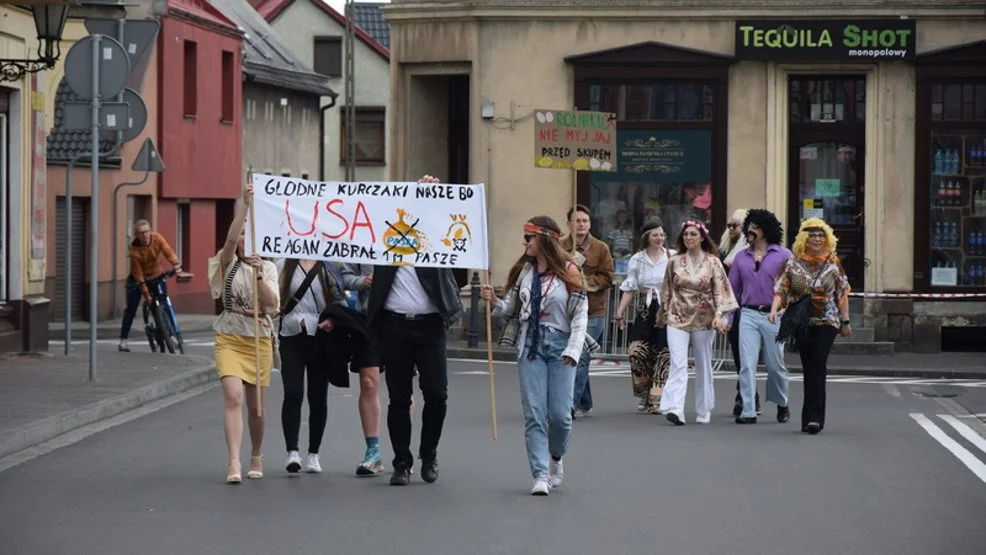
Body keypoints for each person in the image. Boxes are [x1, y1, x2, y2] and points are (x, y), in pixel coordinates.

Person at [366, 174, 464, 486]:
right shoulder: (384, 241)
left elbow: (444, 218)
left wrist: (430, 193)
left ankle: (429, 451)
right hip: (394, 325)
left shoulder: (432, 238)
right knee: (399, 398)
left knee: (436, 395)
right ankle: (401, 462)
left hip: (430, 326)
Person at [481, 216, 589, 496]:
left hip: (561, 345)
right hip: (530, 345)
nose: (524, 243)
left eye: (529, 238)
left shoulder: (569, 271)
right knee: (534, 413)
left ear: (544, 239)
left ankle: (555, 456)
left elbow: (580, 315)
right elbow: (511, 310)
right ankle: (540, 473)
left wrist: (573, 349)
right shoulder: (524, 273)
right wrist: (494, 301)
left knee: (561, 415)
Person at [208, 184, 279, 483]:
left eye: (249, 240)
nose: (243, 244)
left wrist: (259, 272)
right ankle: (234, 461)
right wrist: (246, 205)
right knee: (233, 396)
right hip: (230, 336)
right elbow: (228, 238)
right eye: (241, 239)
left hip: (258, 337)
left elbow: (273, 304)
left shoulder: (268, 268)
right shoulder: (226, 263)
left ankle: (256, 454)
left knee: (256, 408)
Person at [770, 218, 851, 435]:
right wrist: (773, 310)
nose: (816, 239)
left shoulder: (833, 262)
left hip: (828, 319)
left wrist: (845, 321)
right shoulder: (792, 263)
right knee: (809, 367)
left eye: (820, 235)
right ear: (804, 239)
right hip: (802, 320)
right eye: (812, 235)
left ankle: (815, 418)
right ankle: (808, 419)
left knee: (818, 363)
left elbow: (843, 293)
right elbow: (781, 289)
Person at [657, 219, 738, 426]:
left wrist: (720, 315)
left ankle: (704, 408)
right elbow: (667, 288)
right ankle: (676, 408)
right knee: (678, 362)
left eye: (693, 234)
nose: (689, 238)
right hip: (678, 314)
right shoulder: (674, 261)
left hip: (704, 315)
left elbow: (720, 289)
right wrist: (662, 312)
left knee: (703, 363)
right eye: (685, 235)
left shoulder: (712, 262)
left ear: (702, 237)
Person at [276, 258, 353, 474]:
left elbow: (340, 302)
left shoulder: (328, 266)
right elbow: (273, 295)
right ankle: (292, 451)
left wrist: (334, 321)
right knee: (293, 393)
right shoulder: (284, 264)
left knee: (317, 396)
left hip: (321, 335)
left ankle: (313, 453)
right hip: (291, 334)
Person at [727, 209, 793, 425]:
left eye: (755, 226)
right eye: (748, 226)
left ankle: (782, 402)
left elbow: (792, 287)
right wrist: (728, 318)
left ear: (766, 229)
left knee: (776, 364)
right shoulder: (740, 257)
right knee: (747, 364)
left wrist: (785, 308)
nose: (749, 230)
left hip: (773, 315)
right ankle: (748, 410)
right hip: (747, 313)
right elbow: (732, 291)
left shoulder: (783, 255)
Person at [614, 219, 674, 413]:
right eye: (655, 234)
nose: (659, 238)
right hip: (644, 307)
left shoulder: (672, 256)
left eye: (662, 235)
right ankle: (645, 391)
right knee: (637, 350)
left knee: (663, 351)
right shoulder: (637, 259)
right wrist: (620, 311)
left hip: (666, 307)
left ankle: (658, 397)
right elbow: (630, 288)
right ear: (646, 237)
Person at [561, 204, 614, 418]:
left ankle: (570, 404)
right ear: (569, 223)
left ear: (590, 223)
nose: (581, 225)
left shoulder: (600, 248)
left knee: (580, 355)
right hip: (567, 310)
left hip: (593, 310)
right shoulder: (559, 246)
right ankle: (585, 401)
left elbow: (608, 277)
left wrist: (584, 280)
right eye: (577, 221)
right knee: (579, 355)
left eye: (585, 221)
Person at [340, 263, 387, 476]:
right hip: (367, 318)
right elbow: (345, 276)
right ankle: (373, 452)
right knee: (368, 383)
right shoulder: (361, 236)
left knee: (402, 387)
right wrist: (363, 281)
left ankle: (402, 450)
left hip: (400, 317)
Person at [119, 220, 182, 352]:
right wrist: (147, 295)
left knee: (163, 302)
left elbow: (167, 251)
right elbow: (139, 276)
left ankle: (170, 334)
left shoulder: (157, 238)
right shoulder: (135, 252)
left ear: (150, 231)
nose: (145, 235)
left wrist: (176, 264)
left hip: (156, 275)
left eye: (146, 231)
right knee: (131, 309)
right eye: (141, 233)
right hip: (138, 279)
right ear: (137, 235)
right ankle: (123, 341)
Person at [719, 208, 758, 416]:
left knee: (747, 356)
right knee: (738, 355)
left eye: (736, 226)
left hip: (747, 305)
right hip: (730, 304)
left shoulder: (751, 252)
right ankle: (747, 396)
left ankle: (746, 397)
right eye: (730, 226)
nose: (732, 229)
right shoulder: (725, 250)